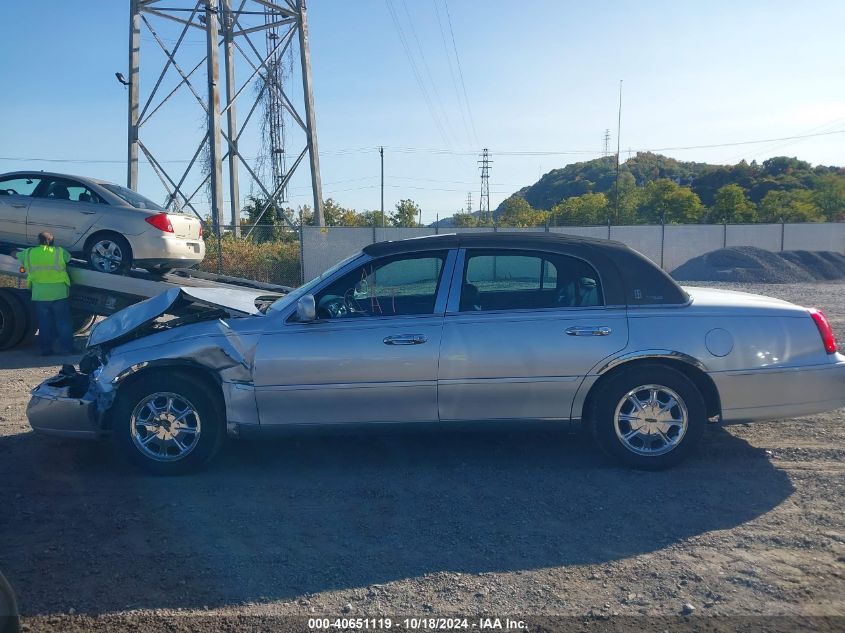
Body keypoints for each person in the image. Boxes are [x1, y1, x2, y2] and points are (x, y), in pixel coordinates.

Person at [17, 231, 74, 356]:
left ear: (38, 241)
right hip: (59, 293)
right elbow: (69, 258)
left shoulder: (30, 253)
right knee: (63, 322)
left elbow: (16, 255)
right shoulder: (59, 252)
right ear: (52, 241)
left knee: (44, 322)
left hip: (40, 294)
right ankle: (67, 348)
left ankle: (46, 350)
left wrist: (12, 251)